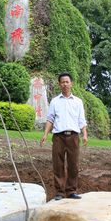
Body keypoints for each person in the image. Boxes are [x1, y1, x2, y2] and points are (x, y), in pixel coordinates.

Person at [40, 73, 88, 201]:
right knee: (58, 164)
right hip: (58, 137)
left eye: (67, 82)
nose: (65, 84)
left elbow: (81, 120)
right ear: (59, 84)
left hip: (73, 137)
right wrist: (45, 134)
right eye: (62, 82)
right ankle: (60, 192)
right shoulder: (55, 101)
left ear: (71, 84)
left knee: (74, 165)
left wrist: (84, 134)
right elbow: (50, 119)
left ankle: (71, 191)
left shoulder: (78, 102)